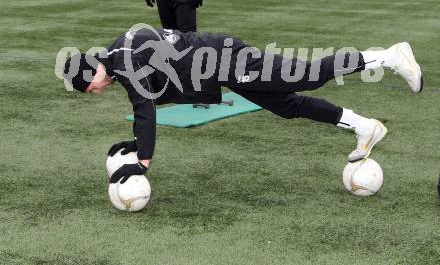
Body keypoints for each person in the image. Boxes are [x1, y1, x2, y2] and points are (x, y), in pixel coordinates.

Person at [62, 26, 423, 184]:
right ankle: (364, 127)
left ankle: (388, 56)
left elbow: (144, 106)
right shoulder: (118, 54)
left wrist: (142, 161)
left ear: (91, 69)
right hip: (222, 67)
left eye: (89, 86)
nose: (94, 92)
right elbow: (151, 94)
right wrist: (138, 143)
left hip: (228, 61)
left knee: (308, 75)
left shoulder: (123, 59)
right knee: (288, 106)